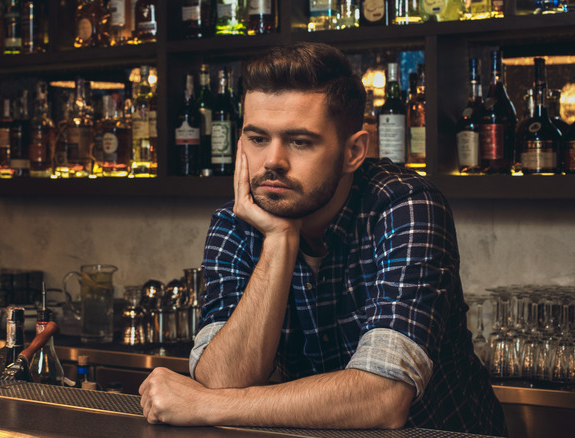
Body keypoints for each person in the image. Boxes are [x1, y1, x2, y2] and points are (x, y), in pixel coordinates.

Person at [139, 42, 506, 436]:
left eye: (300, 142)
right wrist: (280, 239)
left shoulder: (406, 206)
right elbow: (222, 377)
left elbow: (383, 397)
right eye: (257, 138)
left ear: (353, 151)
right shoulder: (237, 221)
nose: (272, 162)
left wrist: (205, 405)